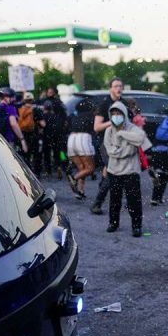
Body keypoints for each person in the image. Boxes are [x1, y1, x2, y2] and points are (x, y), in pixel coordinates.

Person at [103, 101, 149, 237]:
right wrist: (127, 149)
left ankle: (136, 226)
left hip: (131, 171)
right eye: (113, 114)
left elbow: (140, 138)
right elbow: (110, 151)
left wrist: (122, 134)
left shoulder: (132, 128)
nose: (116, 116)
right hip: (114, 171)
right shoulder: (108, 131)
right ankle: (113, 223)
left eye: (118, 113)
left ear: (124, 114)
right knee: (114, 199)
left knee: (134, 200)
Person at [91, 77, 125, 214]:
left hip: (120, 142)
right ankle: (97, 203)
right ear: (110, 88)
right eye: (116, 86)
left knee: (111, 171)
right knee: (112, 171)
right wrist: (113, 122)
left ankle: (103, 197)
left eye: (120, 86)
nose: (119, 89)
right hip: (106, 143)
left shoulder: (123, 104)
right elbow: (97, 127)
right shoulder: (105, 105)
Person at [67, 98, 96, 199]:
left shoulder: (74, 116)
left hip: (71, 139)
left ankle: (80, 191)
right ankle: (73, 178)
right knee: (90, 168)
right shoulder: (91, 116)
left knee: (82, 168)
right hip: (83, 139)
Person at [17, 92, 44, 171]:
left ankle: (27, 171)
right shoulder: (36, 109)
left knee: (26, 154)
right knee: (36, 154)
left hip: (23, 134)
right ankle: (37, 172)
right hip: (34, 134)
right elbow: (43, 124)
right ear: (32, 100)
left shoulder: (20, 109)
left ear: (24, 100)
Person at [0, 88, 28, 154]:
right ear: (8, 97)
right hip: (8, 139)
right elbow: (13, 124)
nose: (14, 99)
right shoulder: (10, 108)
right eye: (13, 97)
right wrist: (22, 139)